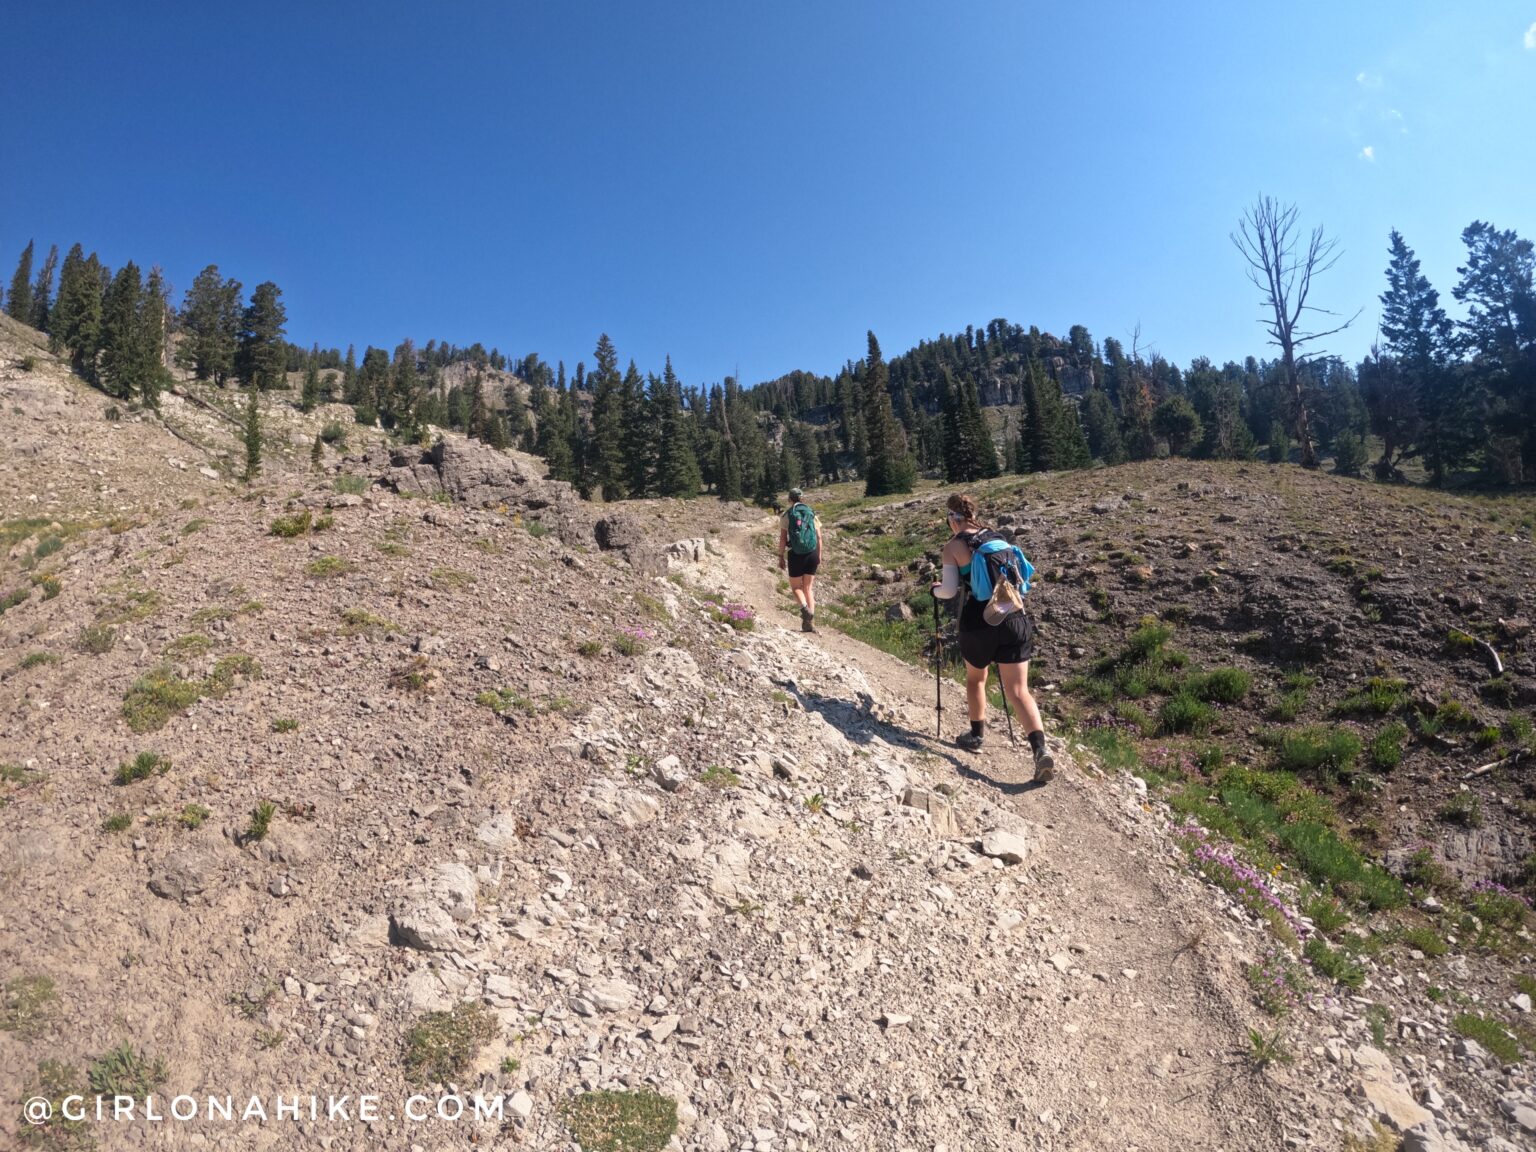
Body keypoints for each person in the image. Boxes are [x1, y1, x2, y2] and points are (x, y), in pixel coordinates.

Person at [931, 492, 1056, 781]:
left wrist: (935, 589)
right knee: (1019, 691)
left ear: (953, 518)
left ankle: (976, 735)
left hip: (979, 621)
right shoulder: (998, 537)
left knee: (977, 678)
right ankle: (1040, 749)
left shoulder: (953, 546)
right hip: (1012, 614)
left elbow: (949, 591)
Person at [778, 487, 821, 633]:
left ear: (789, 499)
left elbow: (783, 539)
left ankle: (804, 609)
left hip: (795, 554)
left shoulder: (786, 516)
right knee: (808, 588)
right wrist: (819, 555)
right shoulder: (811, 513)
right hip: (812, 553)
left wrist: (780, 556)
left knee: (796, 587)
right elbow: (819, 537)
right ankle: (810, 621)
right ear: (802, 498)